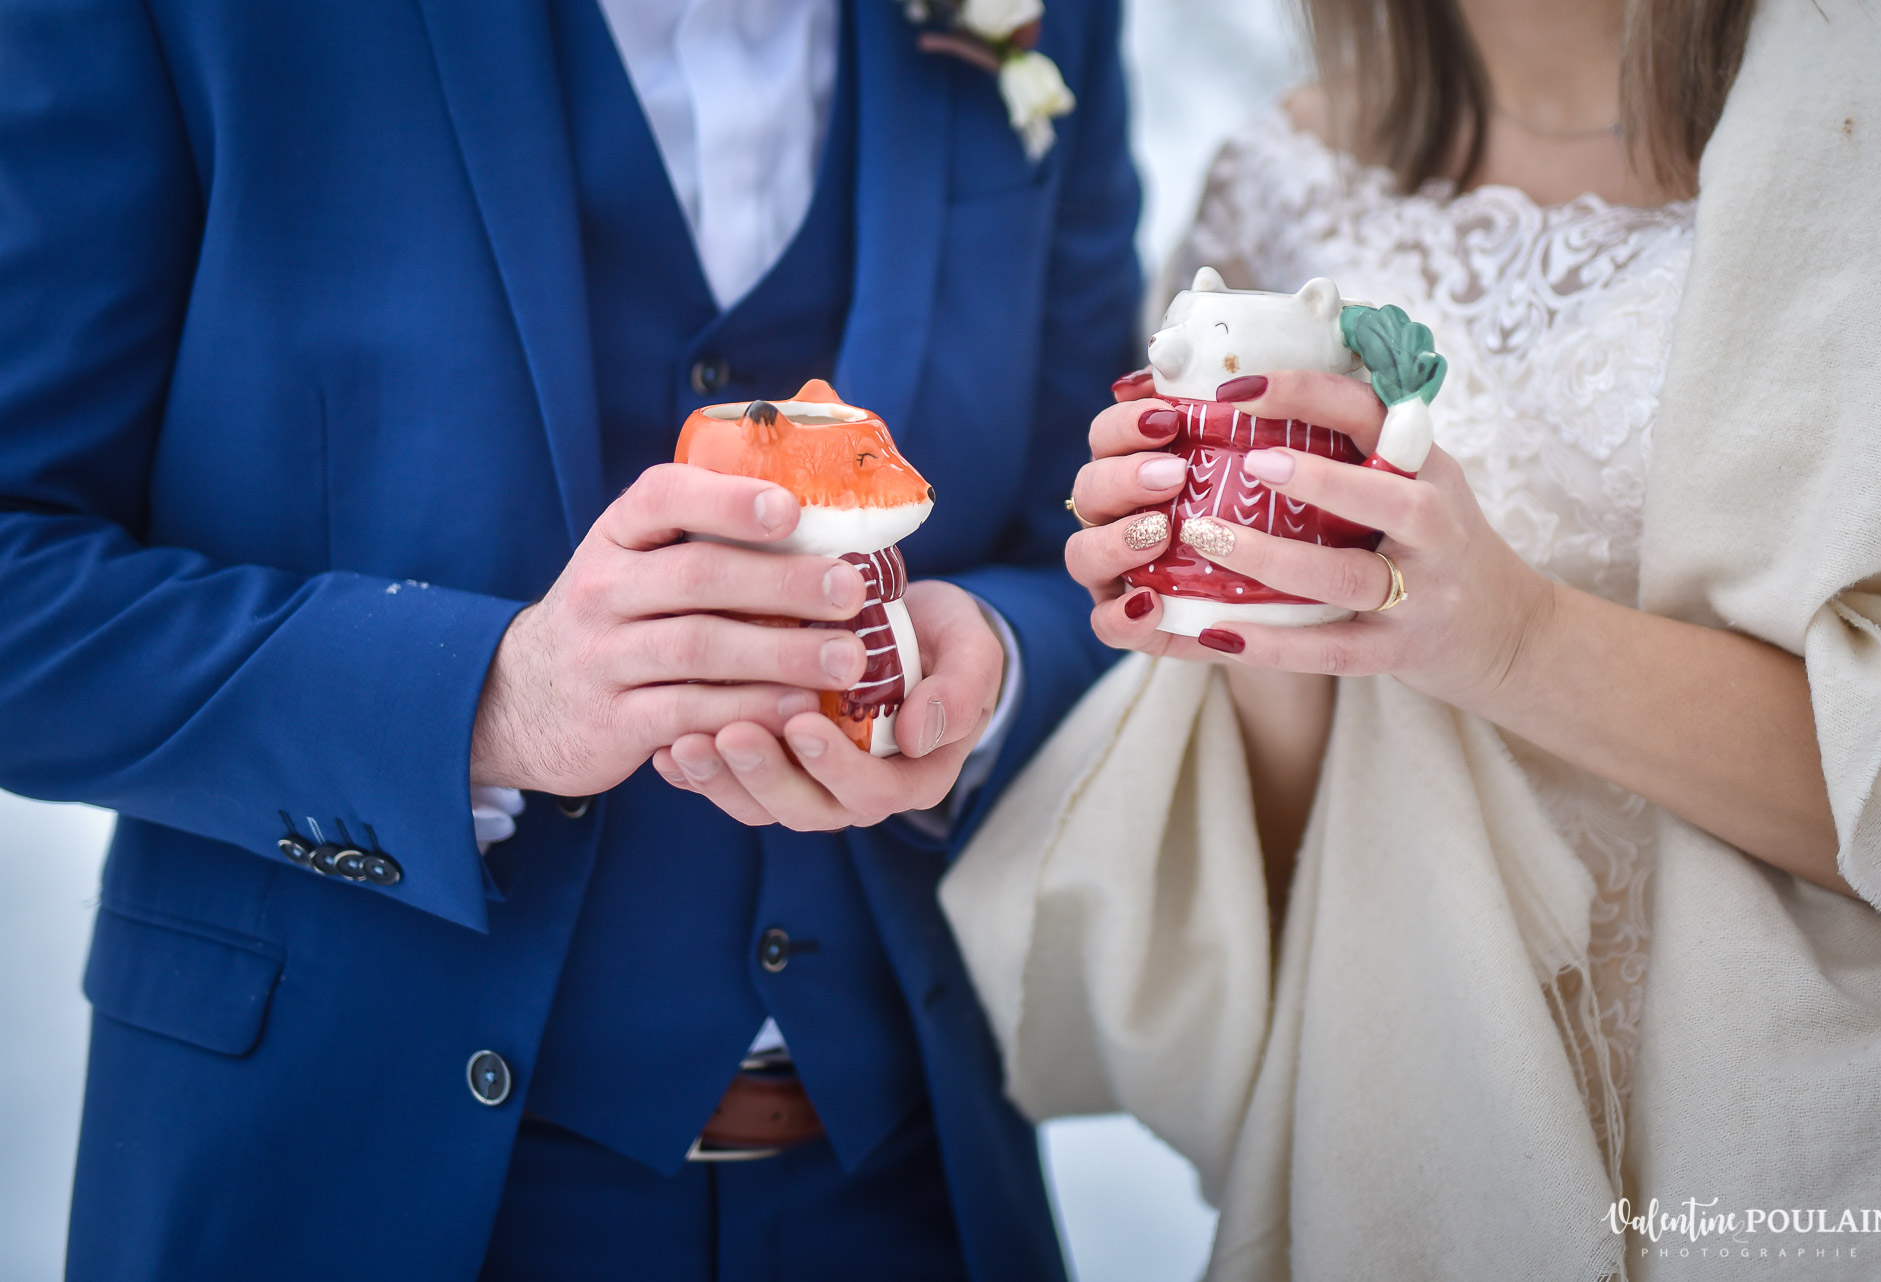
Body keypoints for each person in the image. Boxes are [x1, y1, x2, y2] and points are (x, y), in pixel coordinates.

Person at [0, 0, 1139, 1277]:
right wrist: (486, 703)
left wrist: (988, 666)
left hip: (906, 1188)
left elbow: (1090, 546)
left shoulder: (1054, 20)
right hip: (343, 1175)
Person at [943, 0, 1881, 1277]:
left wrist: (1517, 642)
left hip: (1801, 1158)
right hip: (1411, 1121)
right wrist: (1253, 624)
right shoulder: (1275, 187)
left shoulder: (1872, 119)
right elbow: (1280, 876)